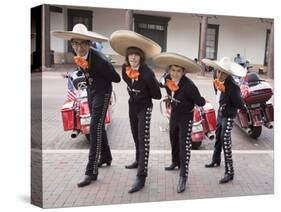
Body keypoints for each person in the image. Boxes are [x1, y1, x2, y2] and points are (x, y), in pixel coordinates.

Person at [53, 24, 121, 187]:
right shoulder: (79, 56)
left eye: (83, 43)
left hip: (103, 93)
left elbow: (116, 78)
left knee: (94, 127)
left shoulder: (101, 60)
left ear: (89, 43)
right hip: (90, 92)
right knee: (97, 126)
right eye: (75, 43)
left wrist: (101, 71)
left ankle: (91, 171)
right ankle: (106, 157)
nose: (79, 47)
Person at [110, 30, 162, 193]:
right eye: (130, 55)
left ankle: (142, 176)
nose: (133, 58)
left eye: (136, 55)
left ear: (141, 57)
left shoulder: (147, 73)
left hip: (145, 107)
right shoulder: (124, 69)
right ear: (127, 57)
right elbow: (127, 82)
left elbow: (157, 95)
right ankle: (138, 160)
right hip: (132, 105)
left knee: (143, 139)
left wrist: (147, 85)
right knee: (135, 135)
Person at [153, 52, 206, 193]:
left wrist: (200, 100)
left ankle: (183, 175)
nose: (175, 74)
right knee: (173, 138)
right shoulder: (167, 78)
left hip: (186, 117)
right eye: (173, 70)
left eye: (178, 71)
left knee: (184, 145)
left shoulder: (189, 86)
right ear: (169, 70)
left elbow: (200, 101)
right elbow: (159, 83)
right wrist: (163, 81)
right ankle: (175, 162)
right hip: (174, 114)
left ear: (183, 72)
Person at [202, 57, 247, 184]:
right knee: (218, 137)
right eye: (218, 71)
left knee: (226, 142)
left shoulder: (233, 86)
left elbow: (240, 105)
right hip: (220, 113)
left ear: (228, 74)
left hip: (229, 115)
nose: (219, 75)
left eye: (223, 73)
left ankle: (230, 172)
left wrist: (229, 99)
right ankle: (216, 160)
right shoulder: (216, 81)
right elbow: (219, 97)